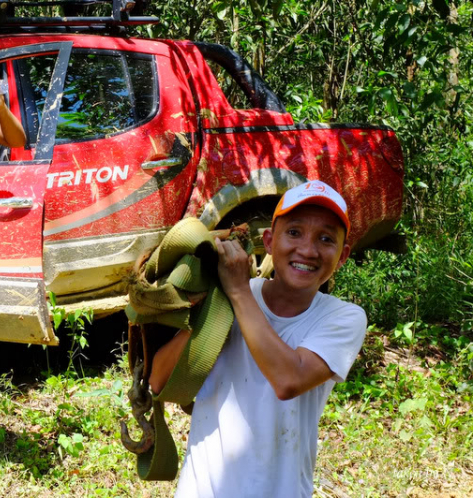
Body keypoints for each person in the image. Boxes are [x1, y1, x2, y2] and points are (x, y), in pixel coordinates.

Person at [149, 180, 367, 497]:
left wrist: (237, 291)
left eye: (325, 239)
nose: (307, 249)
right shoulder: (227, 298)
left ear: (343, 255)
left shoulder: (342, 317)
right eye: (294, 232)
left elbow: (289, 379)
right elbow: (158, 382)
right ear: (268, 240)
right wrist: (208, 307)